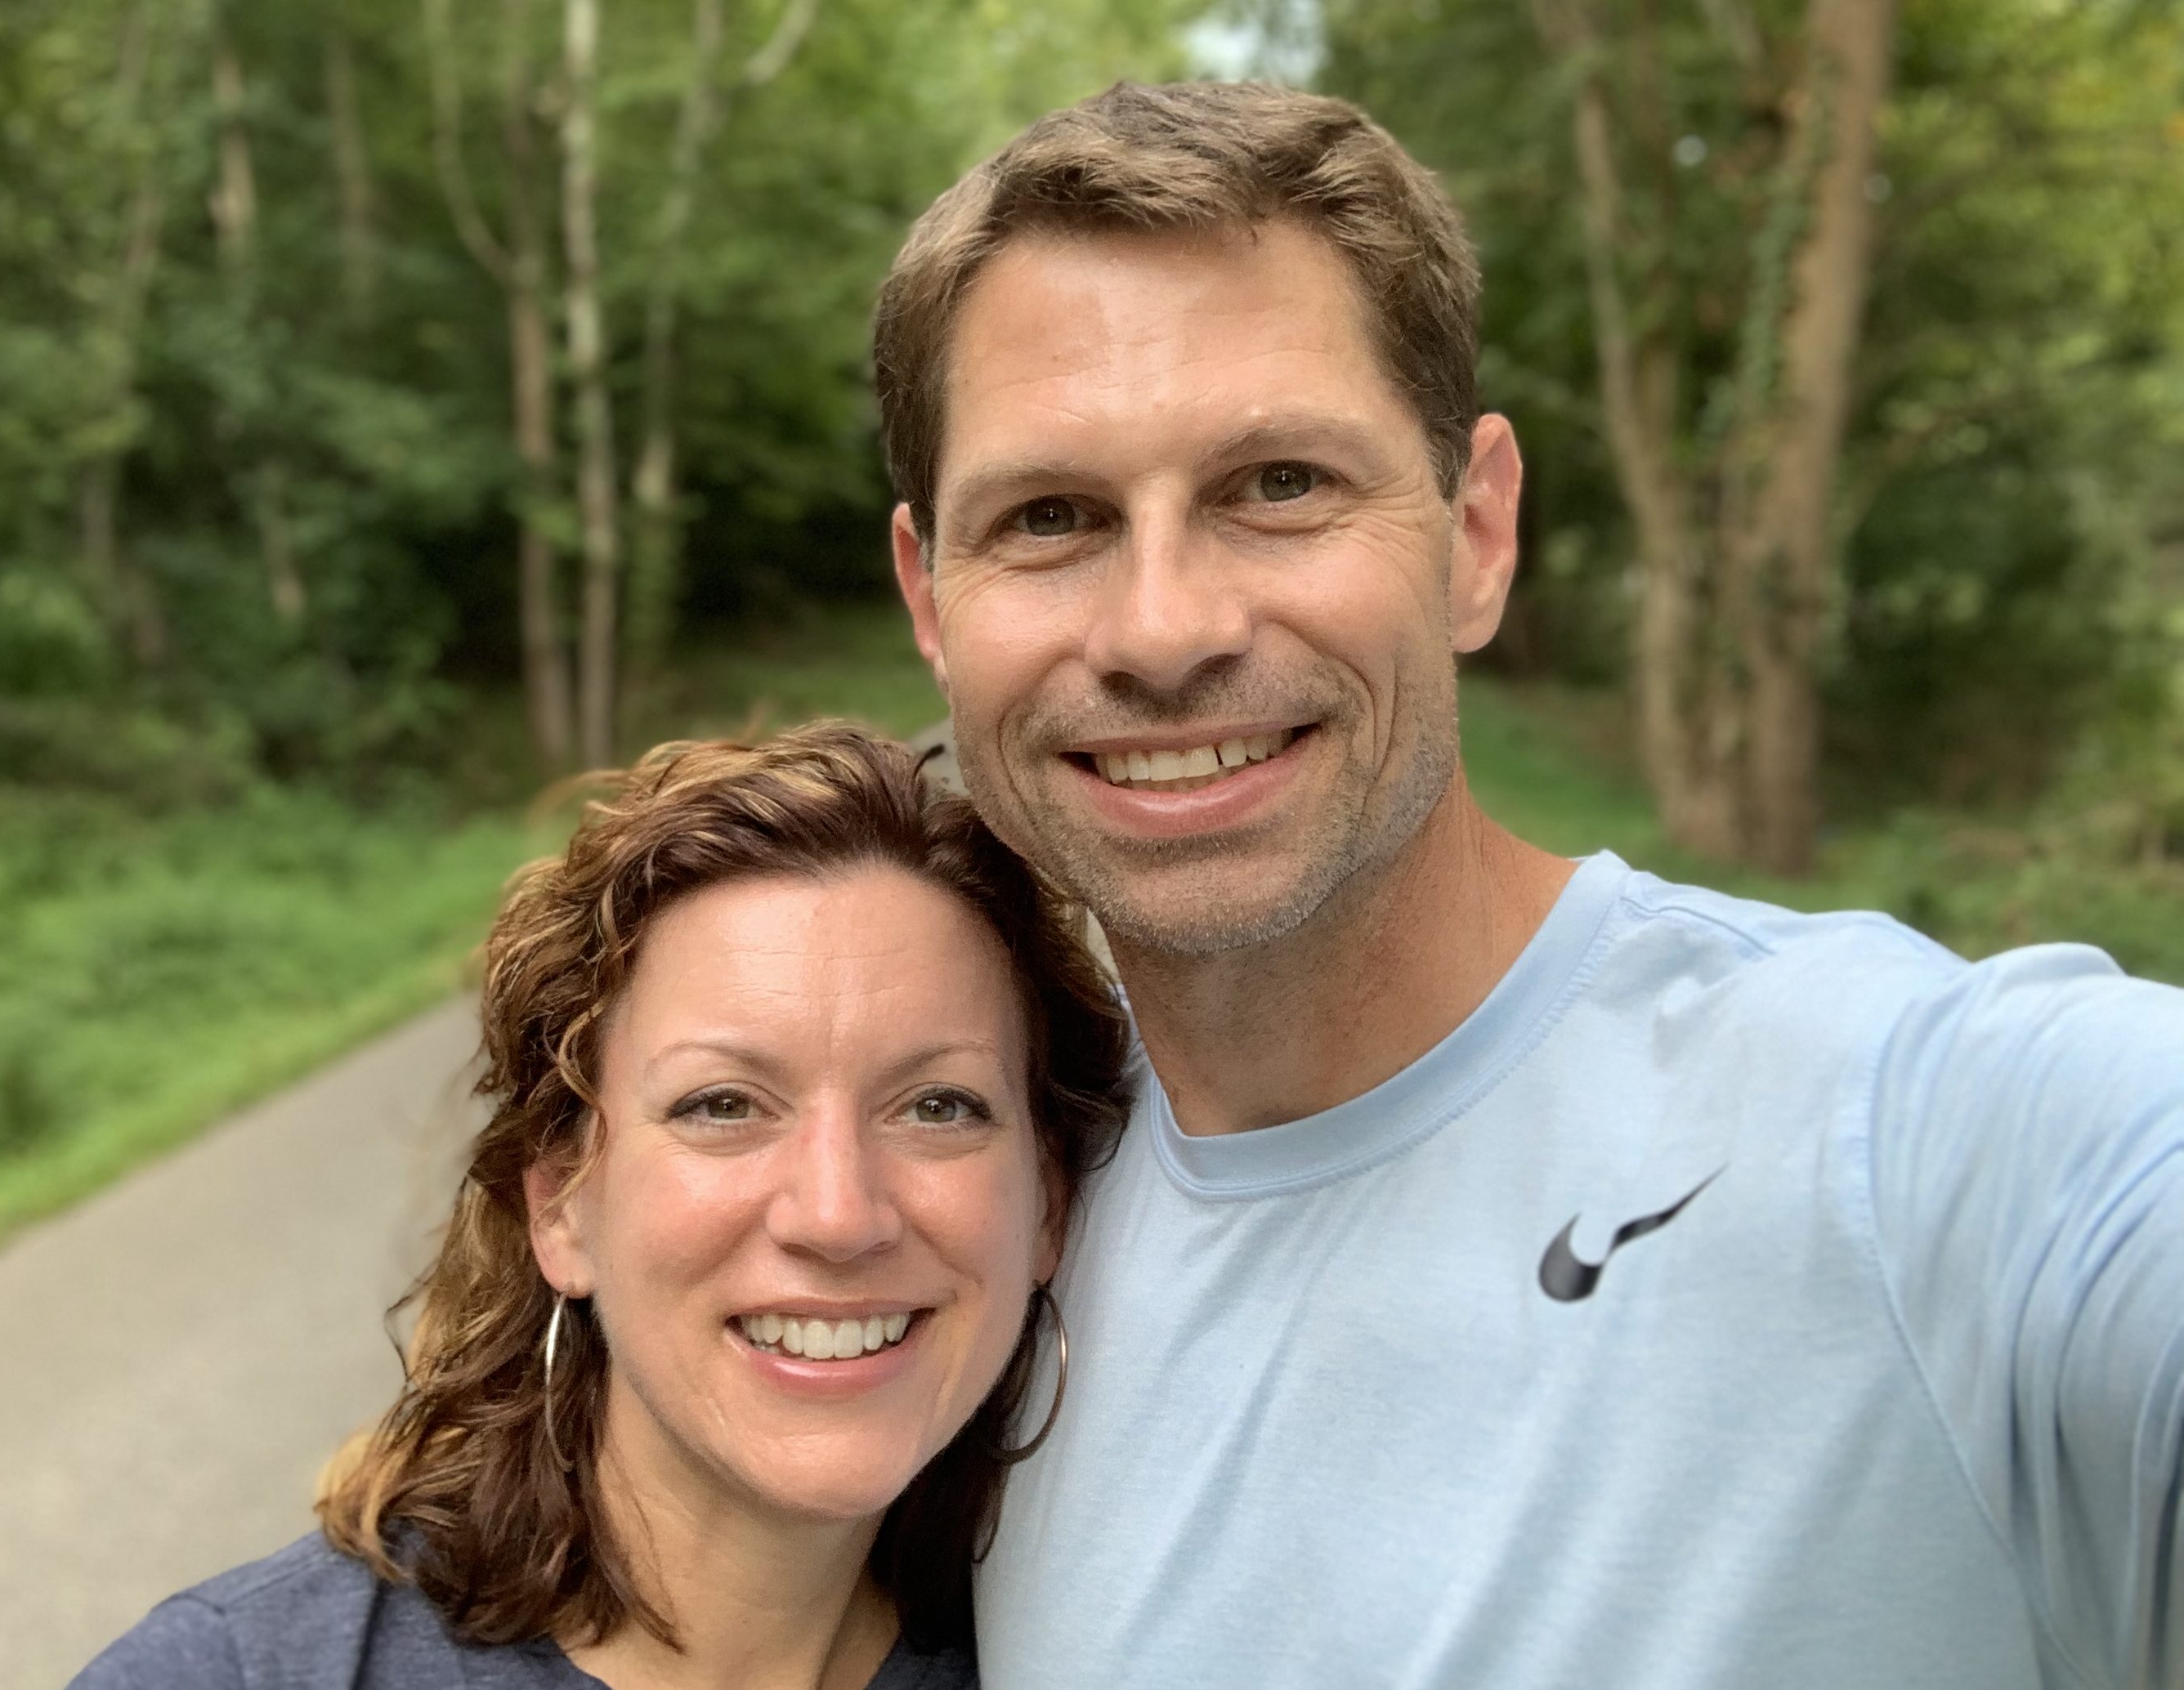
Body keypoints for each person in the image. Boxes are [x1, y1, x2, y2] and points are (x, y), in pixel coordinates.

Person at [878, 80, 2184, 1690]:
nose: (1161, 630)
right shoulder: (966, 1236)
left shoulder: (1909, 1138)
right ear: (930, 603)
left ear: (1476, 533)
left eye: (1278, 484)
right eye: (1050, 517)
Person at [70, 725, 1132, 1690]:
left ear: (1046, 1205)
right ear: (562, 1208)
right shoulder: (235, 1673)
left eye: (939, 1106)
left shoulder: (1097, 1656)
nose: (837, 1213)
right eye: (723, 1105)